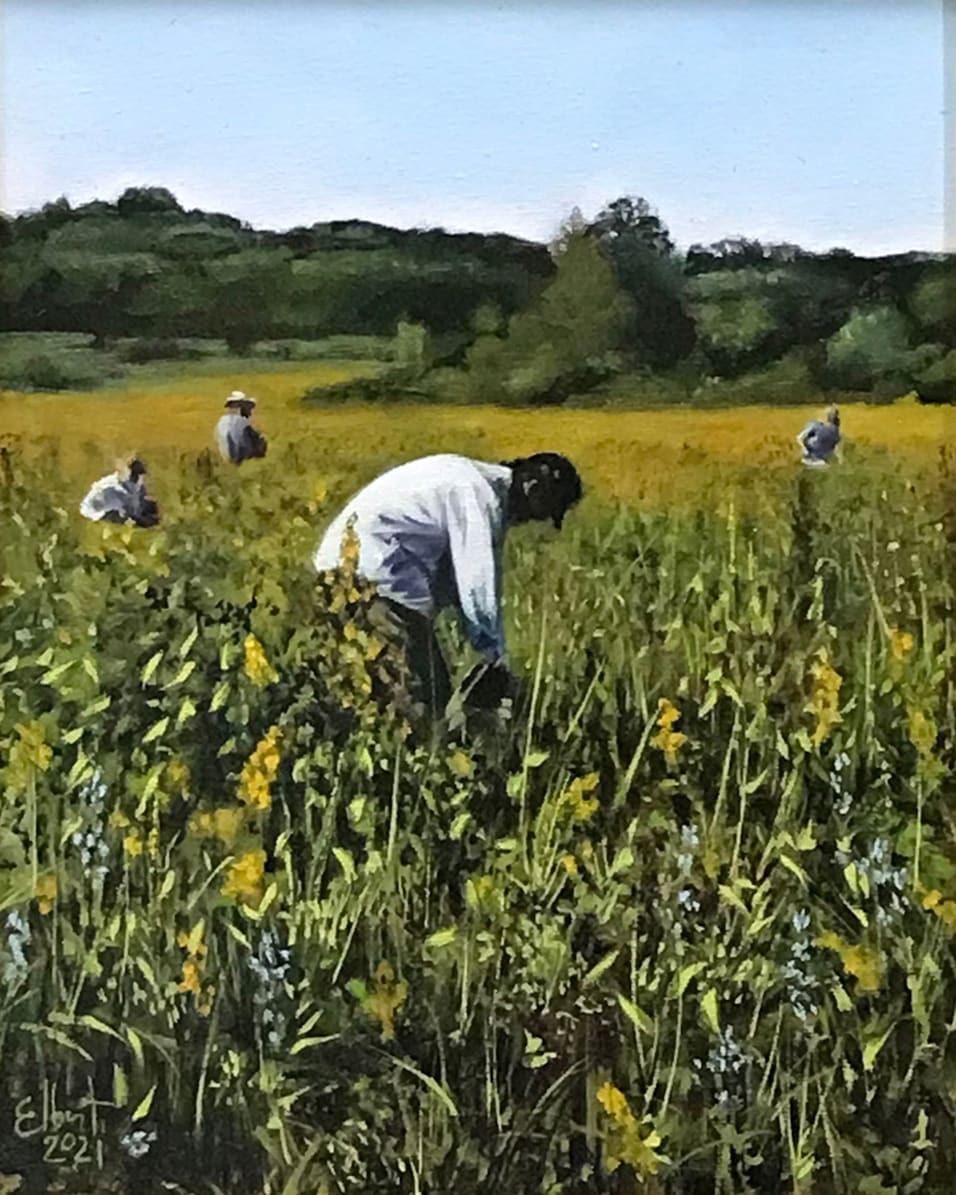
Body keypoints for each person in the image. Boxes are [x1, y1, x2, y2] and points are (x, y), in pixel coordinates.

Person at [313, 452, 583, 716]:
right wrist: (493, 655)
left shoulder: (467, 479)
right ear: (531, 488)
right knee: (420, 703)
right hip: (375, 576)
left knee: (365, 692)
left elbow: (450, 579)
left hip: (340, 571)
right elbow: (476, 580)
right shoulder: (479, 495)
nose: (535, 521)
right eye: (542, 510)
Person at [79, 458, 160, 527]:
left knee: (152, 508)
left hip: (118, 506)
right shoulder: (113, 489)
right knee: (134, 518)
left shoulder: (135, 485)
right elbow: (127, 508)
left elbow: (138, 499)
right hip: (100, 512)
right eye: (138, 476)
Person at [216, 391, 267, 464]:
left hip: (225, 459)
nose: (250, 411)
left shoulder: (222, 420)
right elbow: (243, 444)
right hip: (239, 459)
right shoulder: (241, 421)